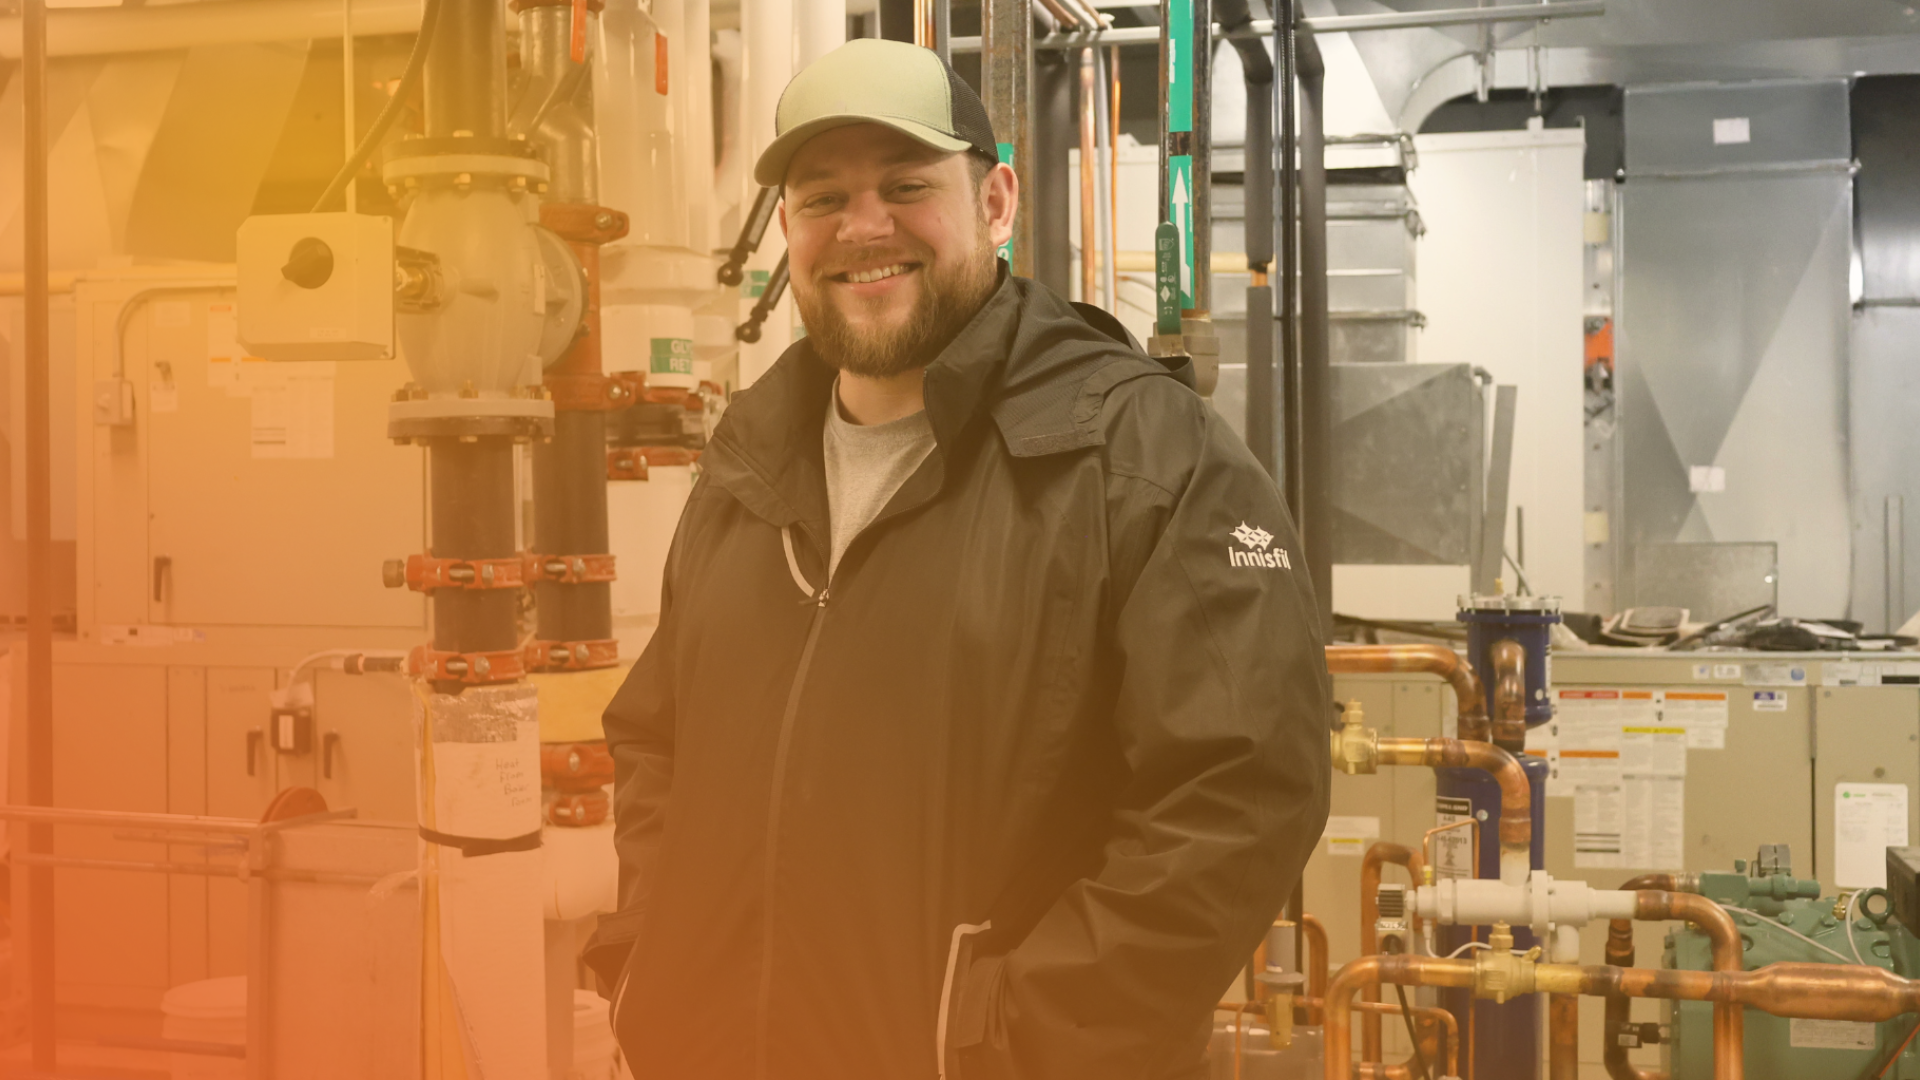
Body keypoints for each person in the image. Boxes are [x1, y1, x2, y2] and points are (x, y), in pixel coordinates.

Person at [585, 37, 1330, 1080]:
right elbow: (657, 745)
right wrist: (645, 969)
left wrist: (1008, 1036)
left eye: (905, 185)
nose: (864, 227)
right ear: (788, 231)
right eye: (823, 197)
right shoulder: (748, 467)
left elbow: (1239, 795)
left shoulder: (1139, 458)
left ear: (996, 202)